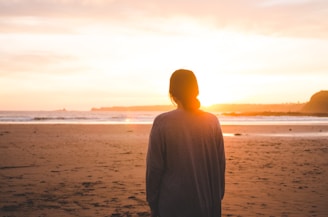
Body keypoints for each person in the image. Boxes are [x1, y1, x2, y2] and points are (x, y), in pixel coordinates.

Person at [146, 69, 226, 217]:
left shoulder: (162, 122)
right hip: (206, 203)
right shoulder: (212, 121)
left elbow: (154, 169)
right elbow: (220, 165)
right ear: (196, 90)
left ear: (172, 94)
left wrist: (153, 202)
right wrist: (216, 197)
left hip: (172, 204)